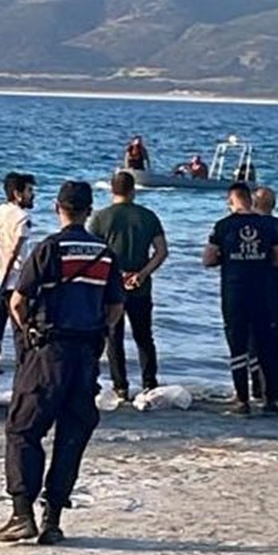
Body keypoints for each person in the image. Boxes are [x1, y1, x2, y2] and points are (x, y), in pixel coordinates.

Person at [0, 181, 123, 545]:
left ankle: (22, 514)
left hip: (48, 352)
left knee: (23, 430)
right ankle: (52, 519)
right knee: (72, 435)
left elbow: (17, 302)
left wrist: (30, 336)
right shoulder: (105, 253)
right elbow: (115, 309)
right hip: (85, 355)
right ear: (89, 210)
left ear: (57, 208)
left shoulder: (49, 248)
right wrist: (95, 333)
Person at [202, 182, 278, 415]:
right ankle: (270, 399)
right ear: (250, 200)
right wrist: (259, 260)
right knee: (265, 344)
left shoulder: (222, 226)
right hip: (262, 292)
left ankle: (242, 400)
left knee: (237, 343)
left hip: (234, 292)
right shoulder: (268, 226)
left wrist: (228, 259)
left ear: (231, 201)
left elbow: (208, 259)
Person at [88, 171, 168, 400]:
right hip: (140, 286)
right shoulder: (148, 216)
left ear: (112, 190)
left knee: (114, 337)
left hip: (111, 287)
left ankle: (120, 387)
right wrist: (142, 274)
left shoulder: (101, 218)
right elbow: (161, 252)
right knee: (144, 337)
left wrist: (115, 274)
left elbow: (96, 254)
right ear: (133, 190)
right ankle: (149, 384)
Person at [0, 172, 36, 360]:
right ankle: (23, 381)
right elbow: (14, 251)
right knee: (22, 336)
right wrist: (4, 278)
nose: (32, 195)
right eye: (29, 190)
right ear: (18, 194)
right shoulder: (22, 217)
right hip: (16, 284)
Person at [250, 187, 278, 400]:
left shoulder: (252, 227)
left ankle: (258, 386)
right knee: (276, 341)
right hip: (277, 291)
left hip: (256, 288)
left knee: (254, 342)